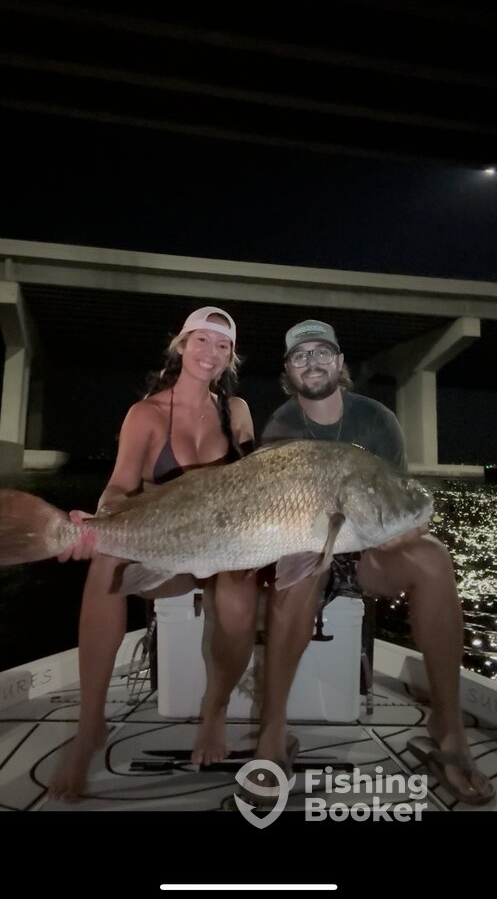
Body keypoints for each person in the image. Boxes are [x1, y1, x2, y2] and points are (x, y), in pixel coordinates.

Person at [255, 317, 495, 805]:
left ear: (340, 362)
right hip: (308, 546)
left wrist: (404, 531)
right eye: (301, 355)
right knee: (298, 582)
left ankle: (447, 729)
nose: (313, 362)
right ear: (288, 370)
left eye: (323, 351)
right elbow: (276, 512)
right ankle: (272, 734)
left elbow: (399, 498)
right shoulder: (281, 424)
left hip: (366, 550)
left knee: (433, 558)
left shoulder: (378, 420)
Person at [48, 305, 255, 801]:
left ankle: (215, 712)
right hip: (169, 552)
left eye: (222, 345)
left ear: (229, 359)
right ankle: (90, 726)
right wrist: (99, 522)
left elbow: (254, 485)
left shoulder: (239, 412)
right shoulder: (145, 414)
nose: (211, 352)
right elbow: (119, 487)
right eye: (201, 340)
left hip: (224, 548)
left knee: (236, 602)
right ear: (181, 346)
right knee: (105, 565)